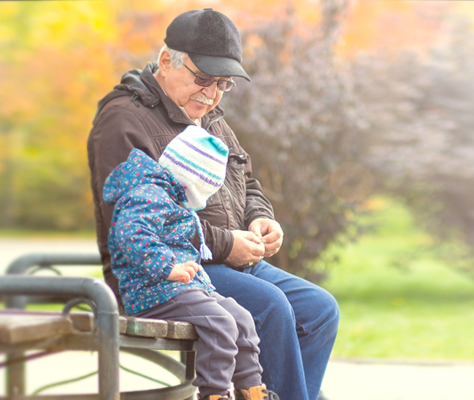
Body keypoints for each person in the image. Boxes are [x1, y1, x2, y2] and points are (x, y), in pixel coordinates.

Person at [86, 8, 338, 400]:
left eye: (223, 83)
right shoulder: (124, 119)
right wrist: (226, 244)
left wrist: (260, 218)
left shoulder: (212, 118)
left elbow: (247, 180)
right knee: (271, 307)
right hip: (166, 269)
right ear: (167, 60)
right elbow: (133, 221)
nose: (211, 93)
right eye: (202, 79)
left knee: (320, 309)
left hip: (230, 261)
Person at [102, 126, 273, 400]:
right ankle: (215, 394)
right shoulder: (148, 194)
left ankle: (251, 390)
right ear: (191, 183)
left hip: (180, 288)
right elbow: (131, 235)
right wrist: (168, 267)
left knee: (240, 318)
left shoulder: (170, 196)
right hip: (152, 290)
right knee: (220, 323)